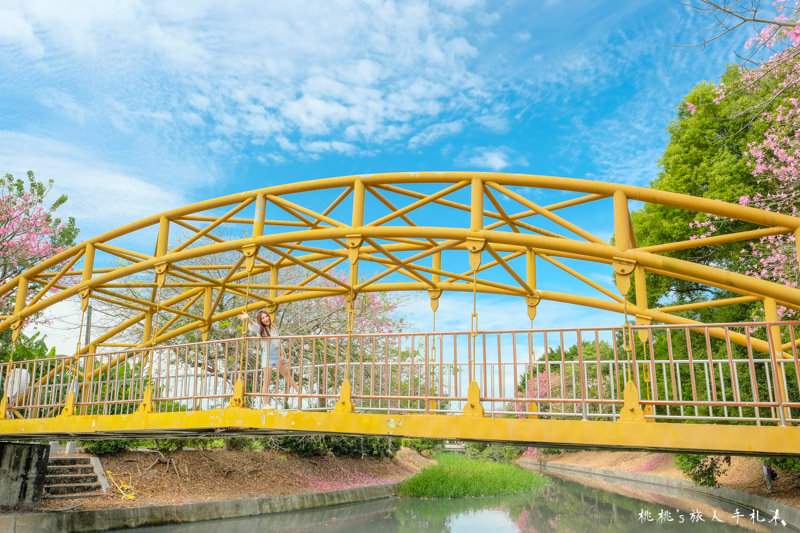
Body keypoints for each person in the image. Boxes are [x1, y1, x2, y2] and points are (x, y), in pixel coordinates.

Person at [238, 310, 300, 408]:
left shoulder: (274, 327)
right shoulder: (261, 329)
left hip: (277, 353)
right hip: (267, 354)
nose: (266, 319)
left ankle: (299, 391)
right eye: (262, 318)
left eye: (266, 316)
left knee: (287, 374)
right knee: (267, 380)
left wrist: (282, 355)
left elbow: (278, 342)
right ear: (260, 320)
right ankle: (265, 404)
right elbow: (254, 326)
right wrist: (249, 319)